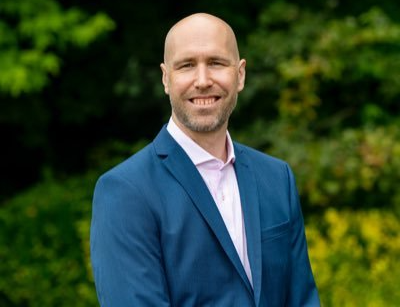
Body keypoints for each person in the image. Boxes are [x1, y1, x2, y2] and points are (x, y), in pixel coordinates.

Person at [90, 12, 320, 306]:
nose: (202, 80)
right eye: (187, 65)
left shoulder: (277, 179)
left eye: (216, 63)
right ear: (165, 78)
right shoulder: (125, 191)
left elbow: (302, 299)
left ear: (240, 75)